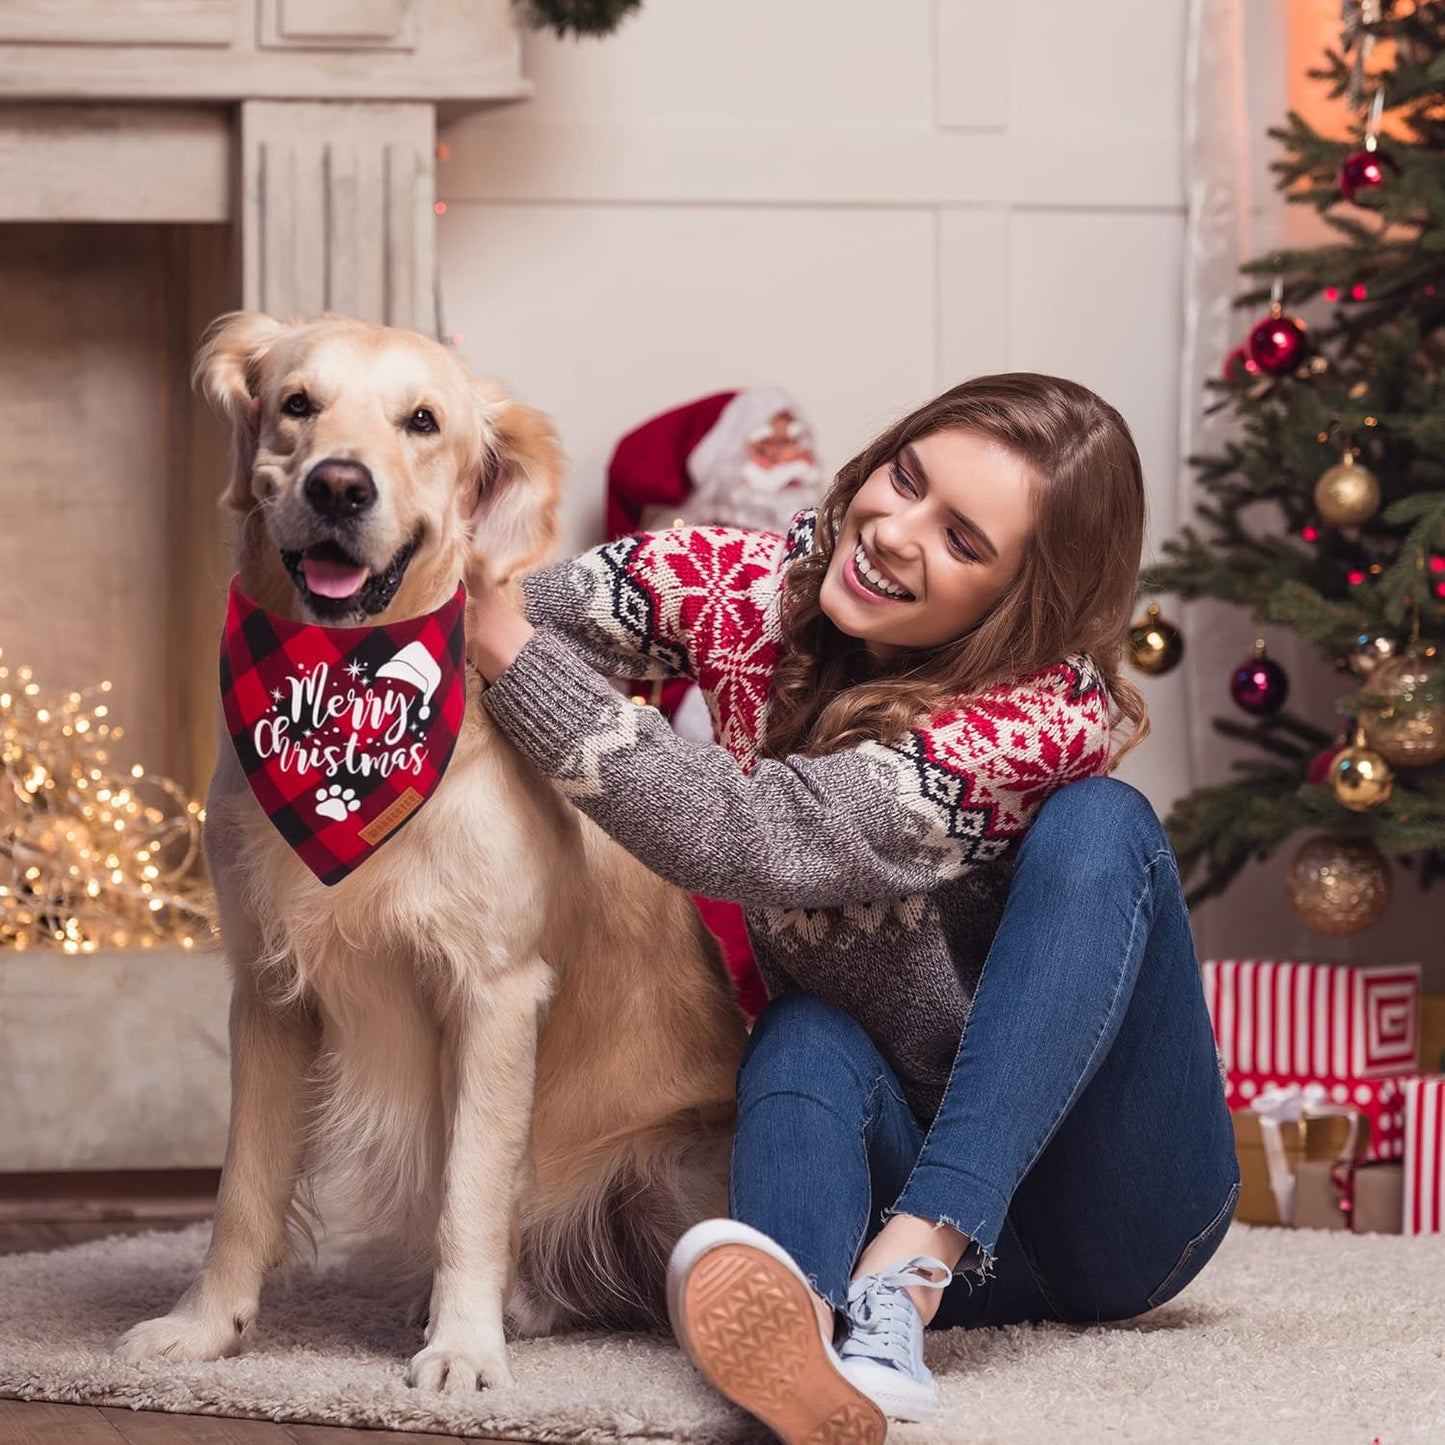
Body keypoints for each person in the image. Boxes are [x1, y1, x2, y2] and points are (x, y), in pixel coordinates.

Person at [465, 374, 1240, 1445]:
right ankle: (807, 1331)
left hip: (1111, 1206)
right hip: (890, 1168)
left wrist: (509, 652)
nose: (892, 532)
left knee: (1101, 824)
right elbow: (502, 611)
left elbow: (746, 833)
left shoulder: (1042, 717)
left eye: (962, 539)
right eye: (904, 477)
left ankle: (910, 1265)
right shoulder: (753, 581)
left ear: (1021, 600)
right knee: (799, 1029)